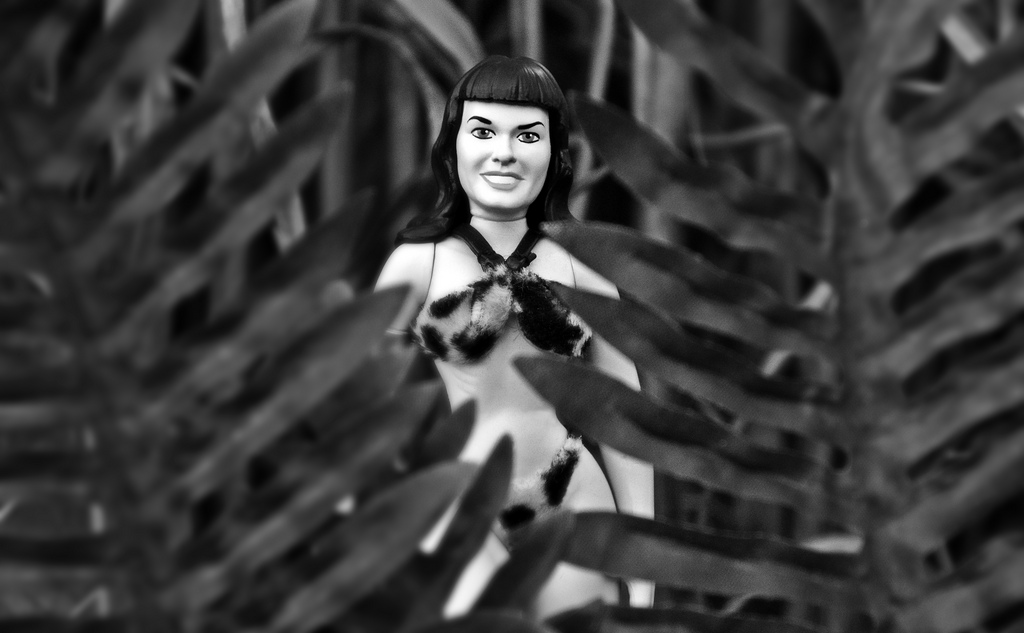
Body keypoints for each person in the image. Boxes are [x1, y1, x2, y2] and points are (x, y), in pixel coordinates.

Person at [375, 55, 653, 617]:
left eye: (528, 135)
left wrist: (643, 560)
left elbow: (623, 413)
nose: (504, 152)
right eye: (483, 132)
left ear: (554, 153)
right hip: (463, 497)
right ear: (452, 146)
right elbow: (356, 390)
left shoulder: (580, 262)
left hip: (570, 493)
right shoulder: (421, 261)